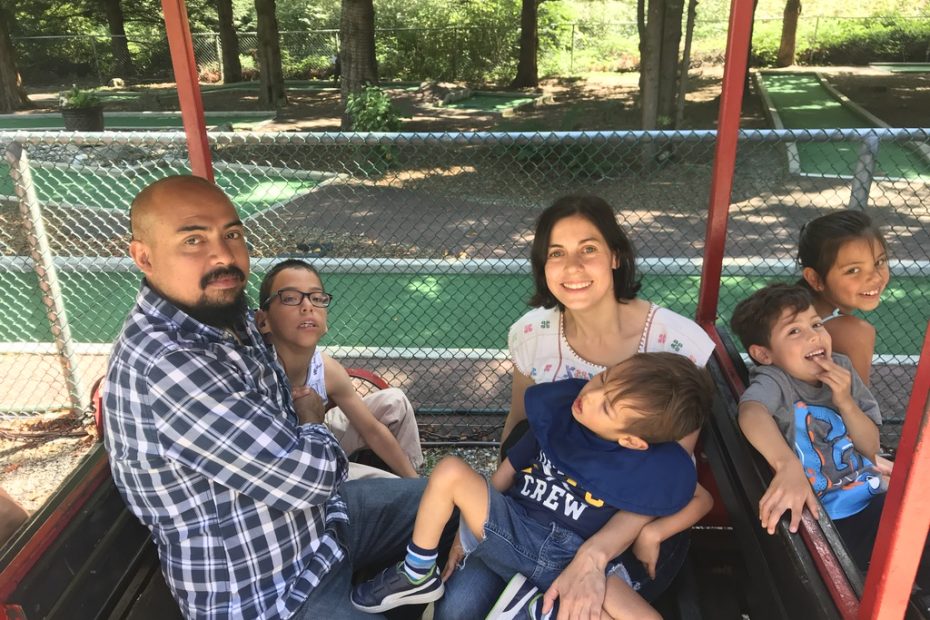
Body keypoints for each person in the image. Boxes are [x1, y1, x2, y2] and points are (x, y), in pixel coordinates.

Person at [103, 175, 433, 619]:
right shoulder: (169, 362)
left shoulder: (226, 314)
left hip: (320, 530)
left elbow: (317, 455)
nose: (223, 255)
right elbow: (311, 479)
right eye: (193, 239)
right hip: (271, 594)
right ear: (143, 256)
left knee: (462, 502)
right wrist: (314, 423)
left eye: (232, 234)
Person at [439, 194, 717, 619]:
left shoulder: (674, 345)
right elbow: (519, 426)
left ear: (616, 256)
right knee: (458, 607)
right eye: (557, 253)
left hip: (622, 526)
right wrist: (483, 520)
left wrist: (594, 556)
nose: (572, 267)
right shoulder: (532, 334)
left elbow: (665, 476)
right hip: (536, 512)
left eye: (588, 249)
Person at [352, 353, 713, 620]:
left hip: (575, 555)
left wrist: (655, 533)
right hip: (519, 527)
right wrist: (466, 531)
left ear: (633, 441)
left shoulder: (643, 465)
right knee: (449, 472)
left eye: (606, 406)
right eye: (602, 380)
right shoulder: (557, 423)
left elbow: (699, 498)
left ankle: (538, 609)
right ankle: (417, 572)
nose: (589, 395)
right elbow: (505, 475)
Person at [730, 283, 929, 586]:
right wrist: (787, 465)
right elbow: (751, 412)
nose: (813, 335)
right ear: (764, 354)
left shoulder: (843, 368)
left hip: (871, 496)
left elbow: (870, 445)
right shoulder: (776, 380)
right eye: (794, 332)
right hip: (834, 520)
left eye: (816, 324)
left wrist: (846, 402)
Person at [256, 259, 422, 479]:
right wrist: (308, 418)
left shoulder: (326, 369)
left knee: (395, 401)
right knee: (384, 482)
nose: (307, 306)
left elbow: (371, 430)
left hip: (320, 429)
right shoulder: (256, 371)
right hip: (282, 463)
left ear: (325, 321)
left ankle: (419, 486)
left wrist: (414, 483)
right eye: (290, 298)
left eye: (316, 298)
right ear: (263, 321)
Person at [797, 210, 890, 384]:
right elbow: (859, 407)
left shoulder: (787, 311)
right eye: (853, 270)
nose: (876, 278)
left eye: (879, 262)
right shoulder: (855, 333)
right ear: (815, 278)